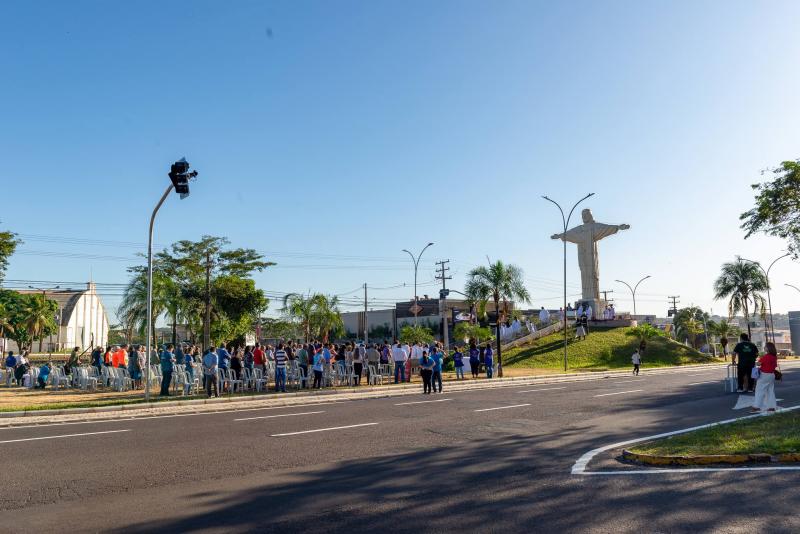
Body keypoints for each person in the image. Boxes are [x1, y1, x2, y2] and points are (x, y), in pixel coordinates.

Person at [751, 341, 778, 413]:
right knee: (770, 391)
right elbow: (775, 366)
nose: (764, 347)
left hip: (764, 375)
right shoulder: (774, 357)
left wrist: (756, 362)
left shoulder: (766, 357)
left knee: (759, 391)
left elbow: (758, 363)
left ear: (768, 348)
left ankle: (756, 407)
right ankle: (771, 407)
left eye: (765, 346)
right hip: (771, 375)